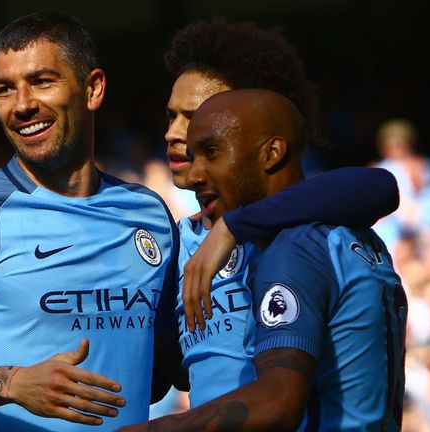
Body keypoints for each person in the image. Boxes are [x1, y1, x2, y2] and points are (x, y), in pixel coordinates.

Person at [0, 12, 185, 431]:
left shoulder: (148, 214)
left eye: (42, 81)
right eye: (5, 89)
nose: (22, 105)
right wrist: (16, 383)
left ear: (92, 88)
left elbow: (163, 370)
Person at [123, 88, 407, 431]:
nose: (196, 173)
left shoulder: (292, 249)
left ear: (271, 151)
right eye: (171, 118)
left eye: (212, 151)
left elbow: (278, 401)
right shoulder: (350, 235)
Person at [159, 18, 399, 408]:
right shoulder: (173, 244)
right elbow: (173, 372)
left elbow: (380, 188)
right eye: (172, 116)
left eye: (196, 115)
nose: (174, 132)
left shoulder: (301, 225)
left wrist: (234, 226)